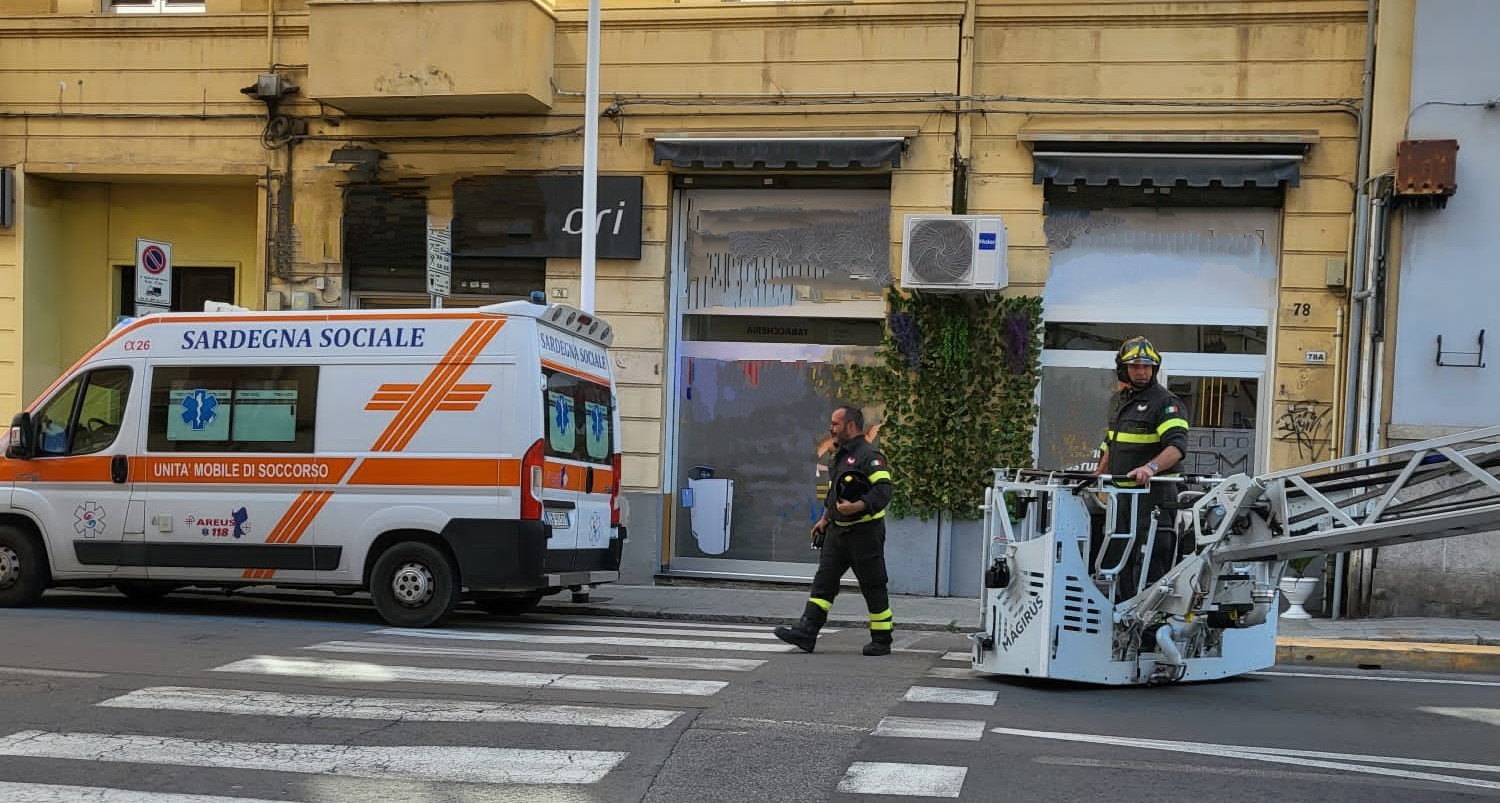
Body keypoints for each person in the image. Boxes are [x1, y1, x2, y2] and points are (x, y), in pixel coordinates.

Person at [775, 405, 896, 656]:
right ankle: (806, 632)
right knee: (824, 583)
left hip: (865, 533)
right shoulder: (839, 454)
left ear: (851, 426)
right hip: (837, 532)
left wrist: (858, 506)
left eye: (835, 424)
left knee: (873, 585)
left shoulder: (870, 456)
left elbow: (883, 490)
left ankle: (881, 639)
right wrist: (825, 518)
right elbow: (835, 491)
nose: (831, 428)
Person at [1092, 336, 1191, 596]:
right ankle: (1122, 607)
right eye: (1135, 366)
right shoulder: (1119, 401)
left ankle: (1153, 614)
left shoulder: (1166, 403)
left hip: (1154, 497)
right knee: (1120, 556)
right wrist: (1098, 473)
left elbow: (1177, 447)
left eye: (1147, 366)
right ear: (1123, 369)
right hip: (1122, 495)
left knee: (1152, 557)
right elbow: (1111, 441)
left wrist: (1150, 468)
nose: (1141, 372)